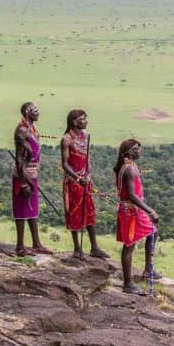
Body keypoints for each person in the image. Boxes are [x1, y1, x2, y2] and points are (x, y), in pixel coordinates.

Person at [113, 139, 159, 294]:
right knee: (129, 246)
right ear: (129, 152)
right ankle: (127, 284)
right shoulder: (130, 169)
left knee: (153, 232)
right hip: (131, 212)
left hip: (133, 211)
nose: (140, 151)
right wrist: (150, 211)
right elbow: (132, 195)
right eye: (136, 149)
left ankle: (147, 270)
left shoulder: (128, 166)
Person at [60, 109, 108, 260]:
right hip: (74, 182)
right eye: (83, 119)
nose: (86, 121)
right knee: (74, 213)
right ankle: (77, 249)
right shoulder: (67, 139)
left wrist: (88, 174)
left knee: (89, 212)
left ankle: (94, 248)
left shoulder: (85, 136)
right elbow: (65, 164)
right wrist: (77, 177)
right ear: (74, 122)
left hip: (85, 180)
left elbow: (86, 159)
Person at [13, 102, 53, 256]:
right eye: (35, 110)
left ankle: (36, 244)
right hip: (23, 175)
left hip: (33, 173)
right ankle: (20, 247)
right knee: (22, 209)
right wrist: (24, 183)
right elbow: (19, 159)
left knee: (32, 209)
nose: (38, 112)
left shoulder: (32, 130)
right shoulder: (22, 131)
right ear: (27, 112)